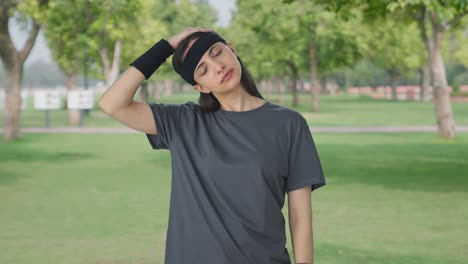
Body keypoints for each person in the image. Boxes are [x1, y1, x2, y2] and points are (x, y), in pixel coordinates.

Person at [98, 27, 326, 264]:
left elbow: (300, 217)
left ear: (232, 50)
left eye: (217, 53)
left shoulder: (289, 124)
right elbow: (112, 104)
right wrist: (166, 46)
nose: (217, 67)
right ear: (201, 87)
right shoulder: (183, 123)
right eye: (203, 69)